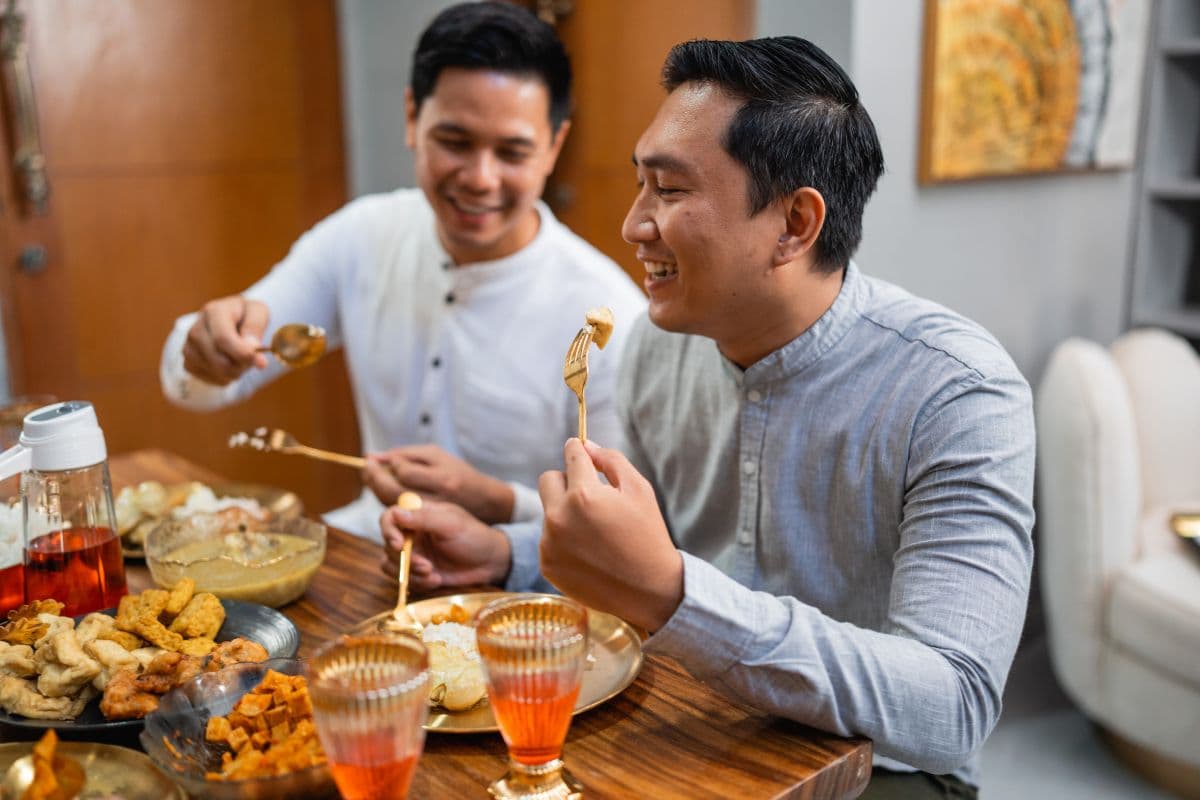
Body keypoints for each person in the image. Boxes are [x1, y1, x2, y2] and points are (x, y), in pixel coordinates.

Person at [383, 36, 1033, 798]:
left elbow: (951, 705)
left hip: (879, 770)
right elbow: (645, 548)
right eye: (640, 185)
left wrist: (672, 595)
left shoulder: (958, 392)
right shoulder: (661, 349)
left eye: (669, 191)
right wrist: (500, 552)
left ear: (794, 224)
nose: (633, 225)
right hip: (693, 720)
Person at [160, 1, 645, 542]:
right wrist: (207, 349)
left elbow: (619, 526)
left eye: (512, 152)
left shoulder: (604, 314)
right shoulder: (363, 236)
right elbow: (196, 386)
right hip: (374, 545)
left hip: (526, 586)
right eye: (455, 143)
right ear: (413, 118)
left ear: (554, 147)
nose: (481, 178)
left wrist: (496, 501)